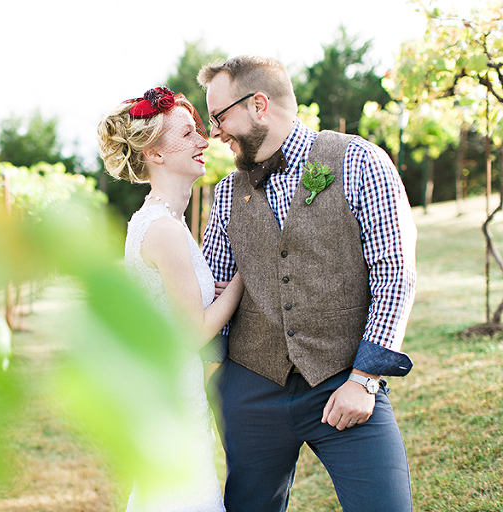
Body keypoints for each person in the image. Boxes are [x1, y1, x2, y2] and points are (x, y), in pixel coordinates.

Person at [197, 55, 417, 512]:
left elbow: (394, 274)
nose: (213, 131)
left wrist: (364, 379)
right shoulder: (225, 194)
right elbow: (212, 288)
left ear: (259, 105)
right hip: (250, 391)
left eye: (218, 116)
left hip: (344, 382)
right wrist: (214, 374)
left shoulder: (359, 161)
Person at [97, 86, 244, 512]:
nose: (204, 141)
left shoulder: (158, 222)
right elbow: (193, 330)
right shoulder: (163, 230)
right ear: (155, 154)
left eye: (201, 130)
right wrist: (243, 278)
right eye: (187, 134)